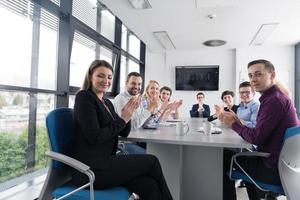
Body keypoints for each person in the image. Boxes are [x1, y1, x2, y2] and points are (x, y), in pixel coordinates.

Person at [71, 60, 173, 200]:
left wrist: (128, 115)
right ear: (90, 76)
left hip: (105, 162)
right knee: (152, 161)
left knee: (149, 185)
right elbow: (95, 137)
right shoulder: (84, 97)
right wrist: (123, 119)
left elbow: (123, 132)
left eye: (109, 77)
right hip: (90, 169)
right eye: (101, 76)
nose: (106, 80)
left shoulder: (106, 102)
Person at [221, 59, 299, 200]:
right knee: (241, 154)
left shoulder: (273, 100)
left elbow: (256, 137)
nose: (253, 80)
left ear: (272, 74)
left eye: (258, 74)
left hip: (273, 170)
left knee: (222, 157)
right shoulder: (276, 97)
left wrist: (233, 123)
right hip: (283, 165)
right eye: (250, 76)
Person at [114, 72, 158, 154]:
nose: (137, 87)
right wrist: (149, 109)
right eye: (133, 83)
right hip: (126, 143)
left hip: (138, 139)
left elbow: (143, 124)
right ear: (126, 83)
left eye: (139, 84)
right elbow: (131, 127)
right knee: (153, 154)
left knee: (159, 148)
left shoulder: (137, 97)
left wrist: (152, 110)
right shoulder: (120, 99)